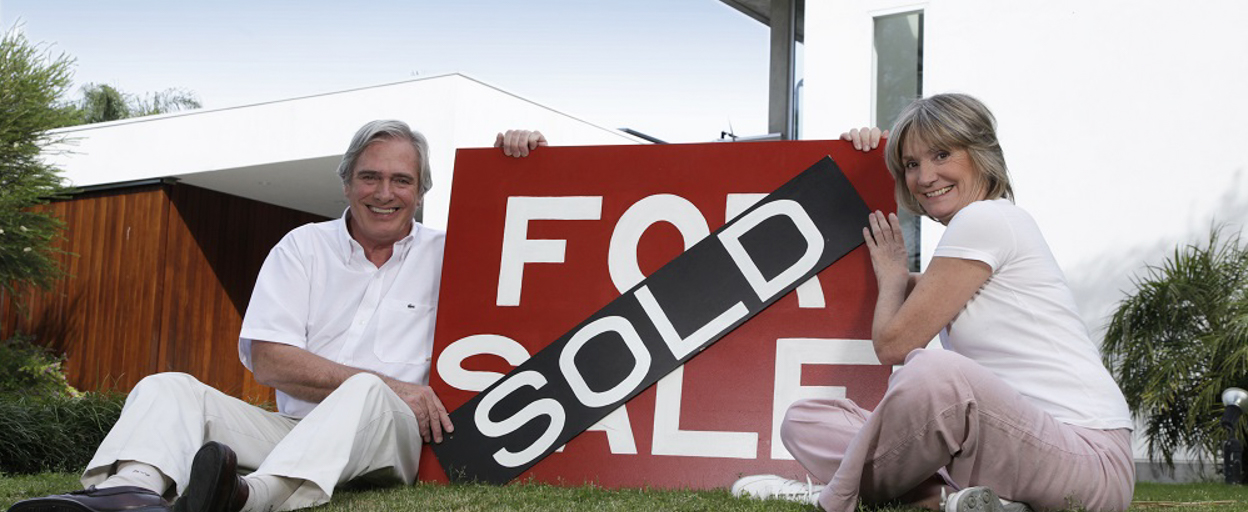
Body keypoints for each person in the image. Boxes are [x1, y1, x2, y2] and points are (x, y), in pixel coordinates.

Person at [7, 123, 546, 512]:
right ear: (346, 183)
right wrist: (382, 382)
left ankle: (247, 497)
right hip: (295, 428)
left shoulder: (456, 254)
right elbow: (268, 359)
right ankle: (131, 493)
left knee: (365, 391)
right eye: (369, 177)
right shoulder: (302, 247)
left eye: (401, 181)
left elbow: (542, 251)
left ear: (422, 191)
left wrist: (529, 159)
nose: (385, 194)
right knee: (168, 386)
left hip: (398, 438)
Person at [733, 94, 1134, 512]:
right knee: (807, 419)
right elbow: (913, 292)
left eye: (942, 154)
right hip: (1010, 449)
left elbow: (894, 345)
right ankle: (953, 502)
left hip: (1089, 462)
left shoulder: (985, 219)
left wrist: (890, 277)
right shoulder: (977, 240)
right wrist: (863, 155)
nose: (925, 176)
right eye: (910, 164)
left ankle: (832, 496)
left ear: (980, 155)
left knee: (934, 370)